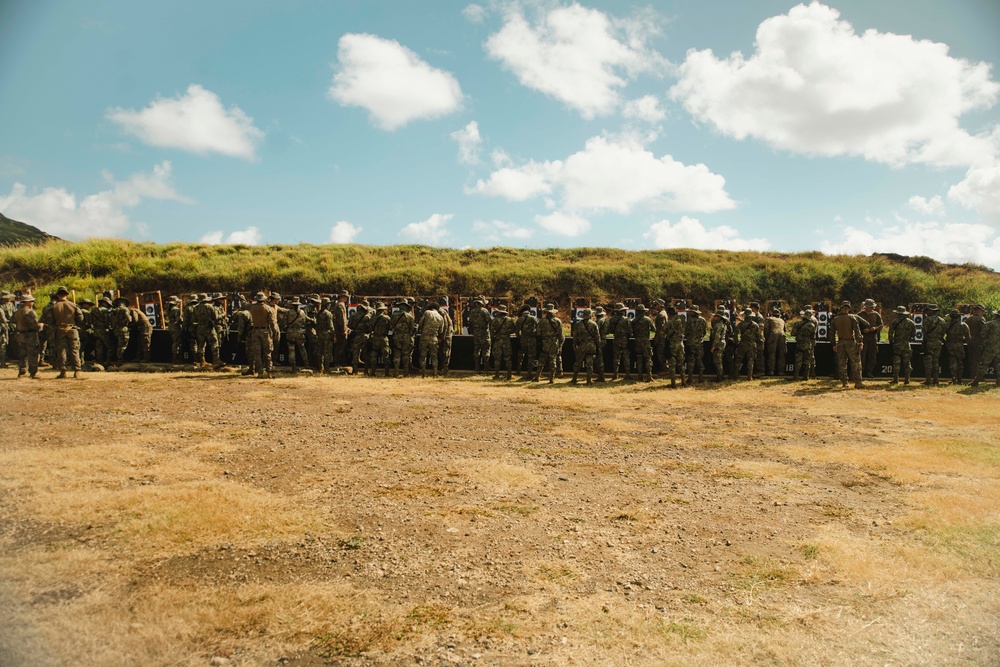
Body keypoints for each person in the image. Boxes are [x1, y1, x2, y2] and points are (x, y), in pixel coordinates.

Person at [40, 286, 84, 378]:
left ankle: (63, 371)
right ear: (67, 295)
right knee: (75, 350)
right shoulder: (73, 305)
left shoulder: (53, 307)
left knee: (61, 351)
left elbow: (49, 320)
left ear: (58, 295)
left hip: (60, 330)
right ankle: (77, 371)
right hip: (72, 329)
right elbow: (81, 318)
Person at [832, 300, 864, 388]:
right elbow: (857, 330)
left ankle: (844, 382)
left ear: (841, 308)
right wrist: (860, 341)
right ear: (849, 309)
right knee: (856, 362)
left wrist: (834, 344)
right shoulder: (852, 318)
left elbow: (831, 333)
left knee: (842, 363)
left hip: (840, 342)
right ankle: (858, 382)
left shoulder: (836, 319)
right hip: (851, 342)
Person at [247, 291, 278, 378]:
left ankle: (260, 373)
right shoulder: (268, 309)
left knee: (257, 353)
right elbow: (272, 323)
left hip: (255, 331)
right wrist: (274, 332)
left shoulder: (252, 308)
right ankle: (269, 373)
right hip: (265, 332)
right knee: (267, 352)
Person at [571, 307, 602, 385]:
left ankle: (574, 379)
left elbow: (575, 336)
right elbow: (597, 337)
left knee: (578, 363)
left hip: (582, 345)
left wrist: (574, 345)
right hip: (591, 346)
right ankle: (588, 381)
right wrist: (598, 346)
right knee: (590, 363)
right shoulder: (594, 324)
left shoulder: (578, 324)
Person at [14, 293, 41, 378]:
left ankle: (22, 371)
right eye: (31, 301)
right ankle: (33, 372)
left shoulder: (17, 312)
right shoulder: (29, 312)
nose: (33, 302)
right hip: (30, 335)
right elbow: (33, 325)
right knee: (32, 353)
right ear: (28, 302)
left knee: (22, 354)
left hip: (21, 334)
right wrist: (40, 326)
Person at [971, 308, 1000, 387]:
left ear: (996, 315)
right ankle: (998, 382)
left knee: (983, 364)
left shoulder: (990, 323)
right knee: (998, 364)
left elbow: (983, 334)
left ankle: (976, 381)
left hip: (990, 347)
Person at [887, 306, 916, 385]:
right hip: (907, 344)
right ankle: (907, 380)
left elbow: (890, 333)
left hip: (897, 344)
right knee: (907, 363)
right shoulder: (911, 322)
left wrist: (891, 341)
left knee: (896, 362)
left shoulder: (894, 322)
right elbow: (914, 334)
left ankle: (896, 379)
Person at [417, 300, 445, 377]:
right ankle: (435, 373)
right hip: (434, 338)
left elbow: (420, 323)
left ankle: (423, 374)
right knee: (434, 356)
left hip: (424, 337)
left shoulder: (427, 313)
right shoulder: (440, 317)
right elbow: (441, 330)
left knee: (423, 356)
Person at [488, 305, 516, 380]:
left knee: (497, 358)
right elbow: (514, 330)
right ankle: (509, 375)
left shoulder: (495, 320)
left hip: (497, 340)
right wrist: (507, 333)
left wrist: (493, 337)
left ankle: (497, 375)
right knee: (508, 358)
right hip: (506, 340)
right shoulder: (510, 320)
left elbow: (491, 331)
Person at [390, 301, 417, 377]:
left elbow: (391, 325)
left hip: (397, 336)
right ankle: (406, 372)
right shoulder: (409, 316)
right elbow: (412, 327)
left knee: (397, 355)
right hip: (406, 337)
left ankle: (396, 372)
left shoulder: (394, 315)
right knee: (406, 355)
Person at [857, 299, 883, 378]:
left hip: (872, 337)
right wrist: (862, 330)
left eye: (872, 307)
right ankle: (861, 372)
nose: (871, 308)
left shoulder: (876, 314)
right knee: (862, 355)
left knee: (872, 355)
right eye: (870, 307)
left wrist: (875, 328)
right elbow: (856, 326)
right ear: (866, 306)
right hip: (863, 338)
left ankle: (869, 372)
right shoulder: (859, 314)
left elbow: (881, 324)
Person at [922, 305, 946, 386]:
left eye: (928, 310)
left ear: (932, 311)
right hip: (938, 343)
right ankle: (936, 380)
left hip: (929, 342)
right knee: (936, 361)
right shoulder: (942, 321)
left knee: (928, 361)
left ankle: (928, 380)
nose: (926, 312)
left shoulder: (927, 320)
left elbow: (924, 331)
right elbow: (943, 332)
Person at [944, 309, 971, 385]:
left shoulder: (947, 325)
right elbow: (968, 337)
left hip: (949, 345)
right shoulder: (963, 325)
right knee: (960, 362)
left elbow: (941, 334)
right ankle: (960, 380)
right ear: (958, 317)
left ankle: (953, 379)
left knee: (952, 362)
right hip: (959, 345)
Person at [791, 307, 818, 381]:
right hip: (808, 344)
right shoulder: (812, 325)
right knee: (807, 361)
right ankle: (806, 377)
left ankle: (796, 377)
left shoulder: (797, 324)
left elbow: (793, 333)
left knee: (798, 361)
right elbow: (813, 336)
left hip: (799, 344)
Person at [284, 297, 310, 372]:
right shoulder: (302, 312)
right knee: (302, 348)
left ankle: (293, 367)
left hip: (290, 332)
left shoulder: (288, 312)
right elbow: (304, 321)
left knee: (291, 350)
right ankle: (306, 365)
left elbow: (285, 322)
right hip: (299, 331)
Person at [663, 306, 685, 388]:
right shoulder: (681, 319)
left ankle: (673, 383)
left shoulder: (669, 322)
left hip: (672, 344)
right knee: (681, 363)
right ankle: (683, 382)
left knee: (672, 364)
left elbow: (663, 330)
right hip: (681, 343)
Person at [468, 297, 492, 373]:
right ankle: (486, 367)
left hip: (475, 332)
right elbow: (490, 321)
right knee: (486, 349)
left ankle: (477, 367)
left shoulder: (472, 311)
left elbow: (470, 322)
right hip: (484, 332)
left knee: (476, 349)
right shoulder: (485, 311)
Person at [685, 305, 708, 384]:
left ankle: (690, 378)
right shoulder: (703, 320)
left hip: (690, 343)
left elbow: (686, 332)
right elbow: (705, 332)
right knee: (699, 360)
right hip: (699, 343)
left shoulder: (689, 321)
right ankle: (700, 378)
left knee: (691, 361)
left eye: (690, 311)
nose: (689, 312)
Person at [631, 304, 655, 382]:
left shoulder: (634, 320)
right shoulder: (647, 319)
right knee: (648, 358)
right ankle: (649, 376)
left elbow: (631, 331)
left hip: (637, 340)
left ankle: (639, 376)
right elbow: (654, 329)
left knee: (639, 358)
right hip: (645, 340)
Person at [735, 308, 760, 381]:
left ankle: (736, 375)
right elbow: (758, 336)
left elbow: (735, 334)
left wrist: (736, 342)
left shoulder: (741, 324)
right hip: (752, 344)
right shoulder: (756, 325)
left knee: (738, 359)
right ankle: (749, 376)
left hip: (743, 343)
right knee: (751, 360)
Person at [348, 301, 373, 374]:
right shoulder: (368, 316)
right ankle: (366, 370)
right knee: (366, 353)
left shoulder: (353, 315)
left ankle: (355, 370)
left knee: (355, 353)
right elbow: (370, 327)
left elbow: (350, 326)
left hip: (356, 336)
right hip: (365, 336)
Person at [367, 302, 392, 377]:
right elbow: (390, 327)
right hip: (384, 338)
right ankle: (387, 372)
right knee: (386, 355)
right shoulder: (386, 318)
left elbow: (370, 328)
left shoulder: (372, 318)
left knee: (374, 354)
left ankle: (373, 372)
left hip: (375, 337)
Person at [609, 303, 632, 381]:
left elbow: (610, 330)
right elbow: (630, 331)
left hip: (616, 340)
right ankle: (627, 375)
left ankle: (615, 375)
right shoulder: (626, 319)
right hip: (625, 340)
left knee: (616, 358)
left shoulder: (612, 319)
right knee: (626, 358)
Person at [514, 305, 538, 378]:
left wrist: (519, 337)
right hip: (532, 339)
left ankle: (518, 370)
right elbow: (539, 328)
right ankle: (529, 372)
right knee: (531, 356)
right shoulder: (534, 318)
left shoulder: (519, 319)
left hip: (523, 339)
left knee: (521, 355)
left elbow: (517, 331)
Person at [764, 306, 786, 376]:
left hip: (773, 334)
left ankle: (771, 371)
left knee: (772, 353)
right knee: (781, 354)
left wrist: (767, 339)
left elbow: (766, 329)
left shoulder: (769, 319)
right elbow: (785, 330)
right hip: (782, 335)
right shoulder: (782, 320)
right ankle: (781, 371)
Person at [966, 305, 987, 379]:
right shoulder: (981, 319)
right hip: (978, 341)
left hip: (969, 340)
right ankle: (976, 376)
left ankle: (971, 374)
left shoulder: (968, 319)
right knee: (977, 358)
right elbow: (984, 331)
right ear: (980, 310)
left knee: (971, 358)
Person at [165, 296, 185, 363]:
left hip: (170, 326)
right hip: (176, 327)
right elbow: (178, 320)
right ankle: (176, 358)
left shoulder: (169, 309)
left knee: (174, 341)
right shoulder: (176, 309)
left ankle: (175, 357)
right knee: (177, 342)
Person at [710, 309, 728, 382]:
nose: (714, 318)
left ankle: (719, 377)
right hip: (722, 343)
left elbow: (717, 337)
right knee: (719, 360)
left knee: (717, 361)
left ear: (719, 317)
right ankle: (721, 375)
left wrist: (713, 346)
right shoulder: (724, 325)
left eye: (716, 316)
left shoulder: (718, 325)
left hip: (718, 344)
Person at [333, 290, 350, 367]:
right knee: (341, 347)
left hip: (339, 329)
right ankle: (338, 364)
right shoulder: (340, 305)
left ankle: (339, 363)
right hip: (340, 330)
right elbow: (341, 319)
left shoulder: (340, 304)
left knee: (341, 347)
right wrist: (344, 330)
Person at [438, 297, 454, 375]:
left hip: (446, 334)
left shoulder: (441, 312)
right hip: (444, 334)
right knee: (442, 351)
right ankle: (442, 367)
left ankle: (445, 367)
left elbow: (446, 325)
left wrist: (442, 337)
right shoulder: (442, 311)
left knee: (445, 351)